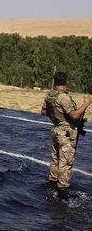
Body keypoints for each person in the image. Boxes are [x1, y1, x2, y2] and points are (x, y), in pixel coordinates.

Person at [41, 71, 92, 199]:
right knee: (65, 163)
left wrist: (57, 117)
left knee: (56, 160)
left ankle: (52, 185)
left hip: (56, 130)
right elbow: (74, 115)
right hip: (66, 134)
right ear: (65, 83)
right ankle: (62, 192)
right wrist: (87, 103)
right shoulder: (63, 97)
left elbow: (43, 111)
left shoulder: (50, 95)